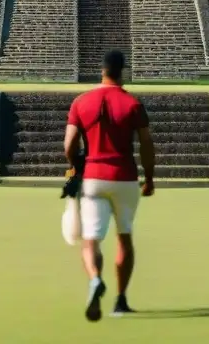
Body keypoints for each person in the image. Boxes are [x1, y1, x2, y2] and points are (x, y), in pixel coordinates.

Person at [63, 49, 156, 322]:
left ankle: (94, 280)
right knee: (124, 237)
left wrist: (75, 163)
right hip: (125, 177)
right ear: (122, 71)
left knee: (91, 239)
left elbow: (69, 144)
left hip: (93, 177)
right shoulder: (132, 104)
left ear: (101, 70)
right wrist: (149, 178)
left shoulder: (81, 102)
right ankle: (120, 300)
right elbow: (146, 145)